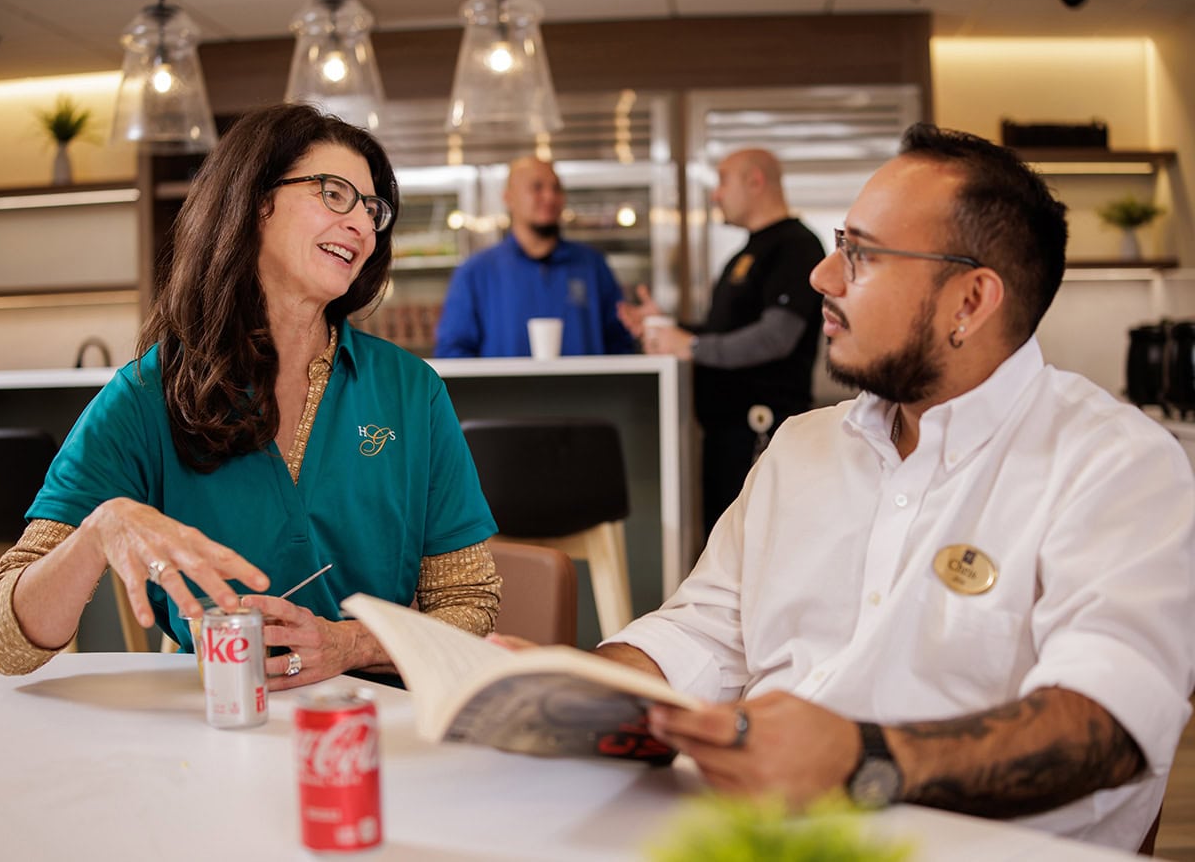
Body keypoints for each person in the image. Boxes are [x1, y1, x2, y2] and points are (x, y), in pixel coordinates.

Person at [598, 125, 1195, 851]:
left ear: (970, 301)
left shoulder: (1116, 464)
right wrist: (576, 687)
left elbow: (1108, 722)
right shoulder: (800, 447)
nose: (823, 277)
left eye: (861, 253)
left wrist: (861, 763)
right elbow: (705, 632)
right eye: (839, 243)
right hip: (755, 831)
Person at [0, 103, 500, 687]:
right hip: (212, 717)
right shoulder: (146, 394)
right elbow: (7, 641)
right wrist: (97, 531)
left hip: (375, 716)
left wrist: (348, 645)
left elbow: (469, 601)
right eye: (334, 194)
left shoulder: (412, 391)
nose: (362, 226)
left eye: (371, 209)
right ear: (255, 201)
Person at [617, 148, 825, 537]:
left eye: (723, 181)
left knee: (758, 543)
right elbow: (725, 331)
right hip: (726, 433)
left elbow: (776, 337)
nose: (716, 195)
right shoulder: (746, 253)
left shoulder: (796, 246)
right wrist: (667, 327)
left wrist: (690, 346)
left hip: (761, 430)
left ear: (755, 181)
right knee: (727, 545)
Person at [433, 156, 635, 358]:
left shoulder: (592, 266)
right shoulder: (475, 273)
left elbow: (621, 344)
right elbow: (452, 352)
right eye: (537, 187)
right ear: (509, 198)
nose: (549, 196)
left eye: (556, 188)